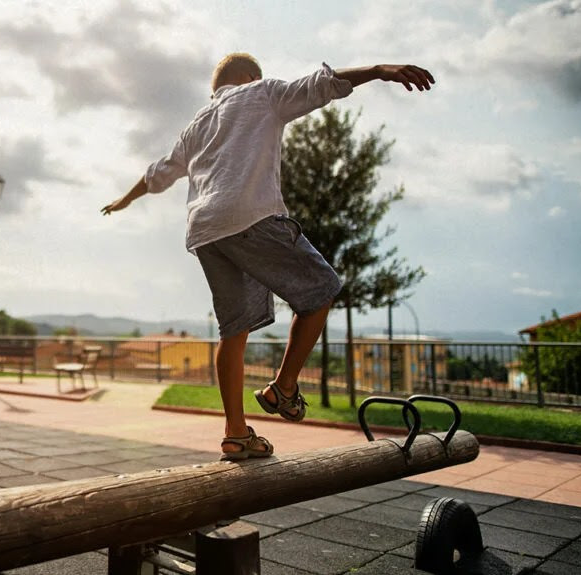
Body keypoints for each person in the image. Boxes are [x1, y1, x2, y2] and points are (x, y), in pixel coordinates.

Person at [102, 54, 434, 461]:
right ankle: (285, 386)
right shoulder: (260, 92)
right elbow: (321, 84)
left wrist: (124, 200)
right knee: (322, 289)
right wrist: (380, 70)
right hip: (250, 215)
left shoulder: (195, 126)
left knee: (233, 332)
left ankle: (236, 434)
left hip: (205, 231)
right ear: (249, 77)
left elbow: (159, 173)